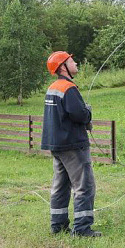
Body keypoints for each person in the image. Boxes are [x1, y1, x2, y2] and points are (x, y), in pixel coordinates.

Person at [40, 51, 100, 238]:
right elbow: (79, 115)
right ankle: (82, 229)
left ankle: (58, 226)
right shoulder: (68, 88)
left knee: (61, 186)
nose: (76, 63)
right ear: (62, 67)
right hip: (73, 145)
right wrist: (87, 113)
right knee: (84, 186)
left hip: (57, 146)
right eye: (72, 61)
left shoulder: (53, 87)